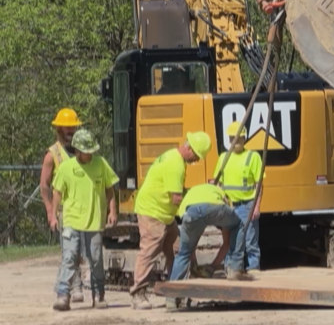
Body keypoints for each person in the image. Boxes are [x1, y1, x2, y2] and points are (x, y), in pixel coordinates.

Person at [129, 131, 212, 310]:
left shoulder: (174, 157)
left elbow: (178, 192)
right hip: (153, 212)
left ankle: (178, 290)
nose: (196, 160)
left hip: (164, 214)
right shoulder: (176, 164)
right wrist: (196, 210)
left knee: (178, 249)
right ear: (189, 148)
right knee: (150, 250)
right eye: (196, 156)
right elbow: (176, 198)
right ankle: (138, 293)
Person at [48, 130, 118, 311]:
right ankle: (63, 295)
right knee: (69, 257)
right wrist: (53, 215)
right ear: (78, 150)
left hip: (94, 221)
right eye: (87, 151)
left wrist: (112, 211)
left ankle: (98, 294)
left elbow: (110, 189)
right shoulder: (66, 168)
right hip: (72, 220)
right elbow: (57, 192)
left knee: (95, 258)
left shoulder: (101, 165)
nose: (90, 154)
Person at [41, 107, 86, 303]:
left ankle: (70, 284)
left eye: (73, 129)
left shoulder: (81, 153)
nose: (70, 132)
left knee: (80, 252)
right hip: (64, 212)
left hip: (82, 210)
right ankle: (72, 287)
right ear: (59, 129)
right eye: (66, 129)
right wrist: (51, 212)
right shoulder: (52, 155)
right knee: (70, 251)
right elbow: (44, 186)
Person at [169, 183, 249, 291]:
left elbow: (191, 246)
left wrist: (195, 267)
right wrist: (213, 267)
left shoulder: (192, 191)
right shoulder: (222, 195)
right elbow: (227, 243)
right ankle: (235, 269)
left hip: (189, 212)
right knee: (238, 225)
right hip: (214, 207)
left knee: (183, 252)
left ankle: (172, 294)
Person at [210, 121, 263, 272]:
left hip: (247, 204)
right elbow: (218, 183)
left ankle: (253, 268)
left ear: (244, 138)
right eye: (233, 138)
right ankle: (232, 268)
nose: (236, 141)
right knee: (231, 239)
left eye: (239, 138)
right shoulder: (223, 157)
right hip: (229, 205)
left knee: (250, 240)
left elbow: (259, 185)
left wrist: (257, 206)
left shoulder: (253, 157)